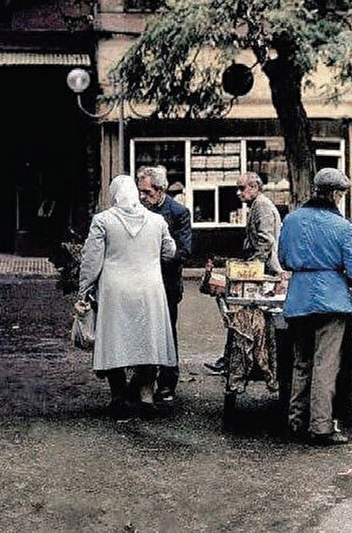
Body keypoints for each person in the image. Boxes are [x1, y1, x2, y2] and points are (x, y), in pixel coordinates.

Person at [279, 168, 352, 446]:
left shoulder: (292, 220)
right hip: (331, 302)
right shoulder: (342, 226)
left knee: (301, 363)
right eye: (341, 195)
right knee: (325, 365)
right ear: (335, 194)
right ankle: (320, 427)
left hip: (298, 300)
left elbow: (283, 259)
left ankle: (295, 421)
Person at [77, 175, 177, 418]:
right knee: (147, 341)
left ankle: (119, 396)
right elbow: (170, 251)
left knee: (115, 342)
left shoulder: (103, 221)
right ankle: (146, 396)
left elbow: (92, 260)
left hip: (115, 292)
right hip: (149, 291)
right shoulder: (156, 220)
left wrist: (83, 290)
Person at [204, 172, 282, 373]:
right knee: (241, 315)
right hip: (260, 268)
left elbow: (266, 241)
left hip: (265, 271)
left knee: (243, 316)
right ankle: (234, 360)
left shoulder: (262, 206)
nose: (238, 193)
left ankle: (239, 362)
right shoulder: (257, 205)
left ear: (255, 187)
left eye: (242, 188)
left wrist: (253, 269)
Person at [137, 166, 192, 403]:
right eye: (140, 192)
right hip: (142, 283)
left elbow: (184, 251)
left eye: (147, 192)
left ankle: (168, 382)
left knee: (167, 331)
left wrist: (154, 260)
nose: (142, 197)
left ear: (160, 190)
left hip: (167, 282)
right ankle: (144, 379)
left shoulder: (178, 212)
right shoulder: (138, 210)